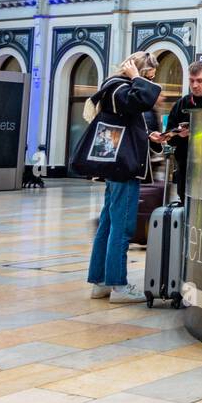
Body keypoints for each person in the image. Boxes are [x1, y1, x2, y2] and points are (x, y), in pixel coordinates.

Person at [86, 51, 160, 303]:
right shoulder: (119, 88)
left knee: (108, 222)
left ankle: (100, 282)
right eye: (150, 72)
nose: (152, 78)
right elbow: (146, 98)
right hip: (123, 167)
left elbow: (130, 121)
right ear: (138, 68)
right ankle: (118, 285)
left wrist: (149, 137)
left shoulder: (115, 89)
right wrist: (137, 77)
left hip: (115, 164)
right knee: (123, 225)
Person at [150, 60, 202, 201]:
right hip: (186, 167)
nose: (195, 85)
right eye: (191, 80)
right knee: (186, 203)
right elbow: (170, 135)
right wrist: (179, 135)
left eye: (200, 80)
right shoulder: (182, 103)